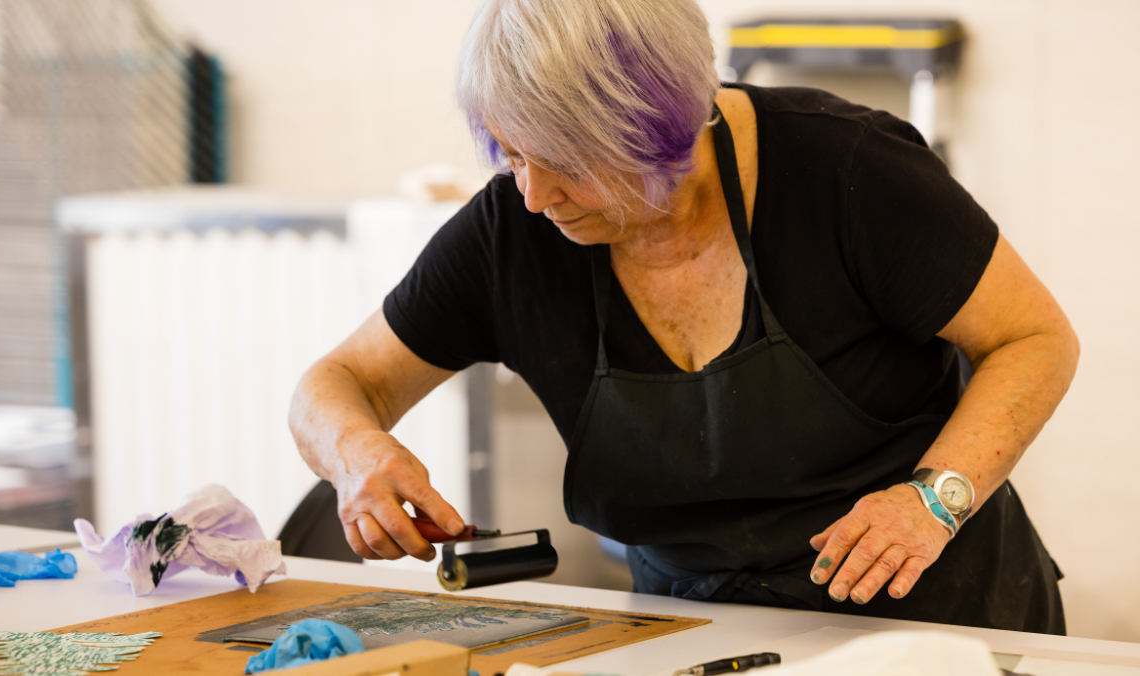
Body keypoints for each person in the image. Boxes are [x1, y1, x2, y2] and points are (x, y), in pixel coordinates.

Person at [289, 0, 1078, 633]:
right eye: (510, 153)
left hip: (937, 624)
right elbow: (337, 381)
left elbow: (1035, 338)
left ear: (660, 127)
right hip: (697, 634)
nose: (533, 194)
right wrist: (358, 455)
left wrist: (933, 500)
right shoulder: (512, 232)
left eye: (564, 160)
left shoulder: (850, 171)